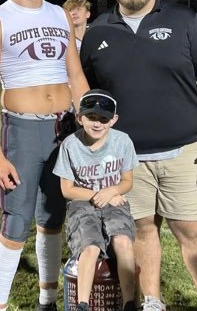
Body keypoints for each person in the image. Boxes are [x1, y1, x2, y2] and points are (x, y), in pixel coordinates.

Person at [80, 0, 197, 311]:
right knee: (140, 230)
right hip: (126, 158)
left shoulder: (184, 21)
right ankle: (151, 302)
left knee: (192, 232)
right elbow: (85, 92)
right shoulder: (98, 31)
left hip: (184, 152)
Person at [0, 0, 89, 311]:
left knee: (52, 220)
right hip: (21, 131)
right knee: (16, 225)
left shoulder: (59, 14)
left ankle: (47, 301)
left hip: (64, 130)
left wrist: (90, 121)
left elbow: (75, 74)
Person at [53, 89, 138, 311]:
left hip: (114, 200)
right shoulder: (70, 145)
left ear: (114, 120)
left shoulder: (123, 141)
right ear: (80, 118)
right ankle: (82, 304)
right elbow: (66, 189)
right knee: (89, 246)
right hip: (82, 203)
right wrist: (95, 195)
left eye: (104, 119)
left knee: (123, 241)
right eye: (91, 117)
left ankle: (130, 303)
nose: (97, 124)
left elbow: (127, 181)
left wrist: (111, 192)